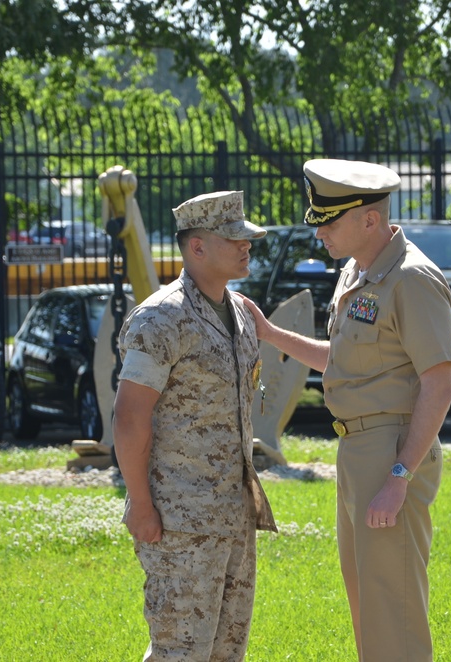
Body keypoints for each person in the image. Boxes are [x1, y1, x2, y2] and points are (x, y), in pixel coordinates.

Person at [238, 159, 451, 661]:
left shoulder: (411, 278)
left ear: (369, 220)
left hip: (392, 450)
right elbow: (342, 362)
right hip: (359, 449)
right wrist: (273, 336)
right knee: (367, 606)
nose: (319, 233)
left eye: (330, 222)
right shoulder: (357, 272)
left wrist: (400, 474)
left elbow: (439, 385)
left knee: (393, 610)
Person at [113, 190, 278, 661]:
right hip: (179, 520)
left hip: (233, 514)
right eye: (233, 238)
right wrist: (141, 506)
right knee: (179, 651)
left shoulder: (243, 315)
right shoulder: (161, 318)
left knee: (227, 651)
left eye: (247, 238)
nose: (246, 246)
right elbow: (129, 418)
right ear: (197, 247)